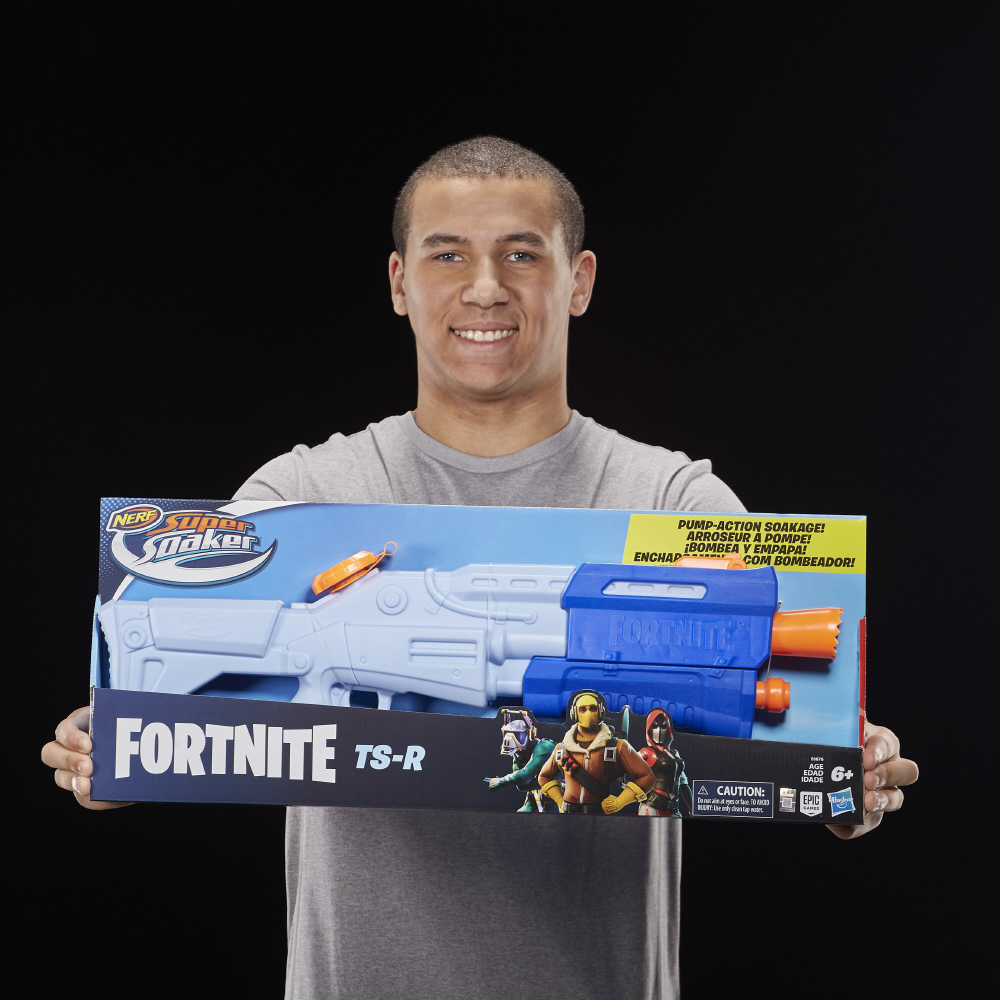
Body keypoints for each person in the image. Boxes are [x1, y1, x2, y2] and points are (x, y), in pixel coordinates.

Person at [43, 136, 919, 999]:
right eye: (449, 254)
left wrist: (849, 778)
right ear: (400, 283)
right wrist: (111, 750)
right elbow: (197, 733)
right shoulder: (301, 500)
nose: (486, 286)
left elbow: (768, 740)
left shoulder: (669, 499)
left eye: (522, 254)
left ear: (579, 281)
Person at [538, 690, 656, 814]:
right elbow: (544, 777)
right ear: (574, 713)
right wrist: (559, 800)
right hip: (568, 814)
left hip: (600, 814)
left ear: (600, 712)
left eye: (593, 708)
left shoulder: (617, 746)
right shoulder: (561, 750)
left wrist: (619, 802)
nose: (588, 713)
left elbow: (647, 777)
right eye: (582, 709)